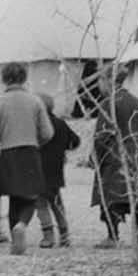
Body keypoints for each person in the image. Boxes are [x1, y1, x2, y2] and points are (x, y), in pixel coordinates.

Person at [0, 62, 53, 255]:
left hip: (8, 153)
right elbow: (48, 132)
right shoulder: (35, 101)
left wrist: (4, 134)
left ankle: (15, 239)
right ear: (25, 78)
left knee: (14, 195)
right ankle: (22, 224)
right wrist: (36, 140)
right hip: (30, 151)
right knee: (30, 196)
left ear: (4, 79)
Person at [89, 64, 138, 246]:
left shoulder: (109, 102)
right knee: (136, 197)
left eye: (100, 80)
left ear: (109, 80)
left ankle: (112, 236)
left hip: (116, 156)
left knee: (111, 196)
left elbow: (102, 135)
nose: (99, 84)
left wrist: (95, 157)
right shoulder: (136, 101)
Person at [34, 92, 81, 249]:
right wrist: (63, 149)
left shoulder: (36, 125)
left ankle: (48, 236)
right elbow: (75, 141)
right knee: (56, 203)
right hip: (55, 170)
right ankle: (65, 235)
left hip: (38, 169)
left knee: (41, 204)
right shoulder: (60, 123)